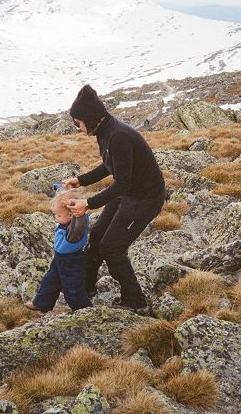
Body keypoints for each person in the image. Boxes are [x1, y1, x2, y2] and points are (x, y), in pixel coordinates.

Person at [63, 84, 165, 315]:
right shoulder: (104, 131)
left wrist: (88, 203)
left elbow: (122, 184)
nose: (77, 128)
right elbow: (110, 165)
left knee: (112, 247)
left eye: (77, 123)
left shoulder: (118, 135)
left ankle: (135, 299)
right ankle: (85, 288)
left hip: (145, 198)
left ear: (90, 119)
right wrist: (81, 180)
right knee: (97, 235)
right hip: (129, 193)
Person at [26, 189, 92, 312]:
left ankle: (85, 310)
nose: (56, 218)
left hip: (72, 262)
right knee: (50, 281)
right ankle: (41, 304)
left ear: (72, 215)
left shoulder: (75, 230)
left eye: (58, 215)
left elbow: (80, 224)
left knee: (72, 289)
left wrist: (79, 213)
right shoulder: (65, 223)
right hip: (59, 260)